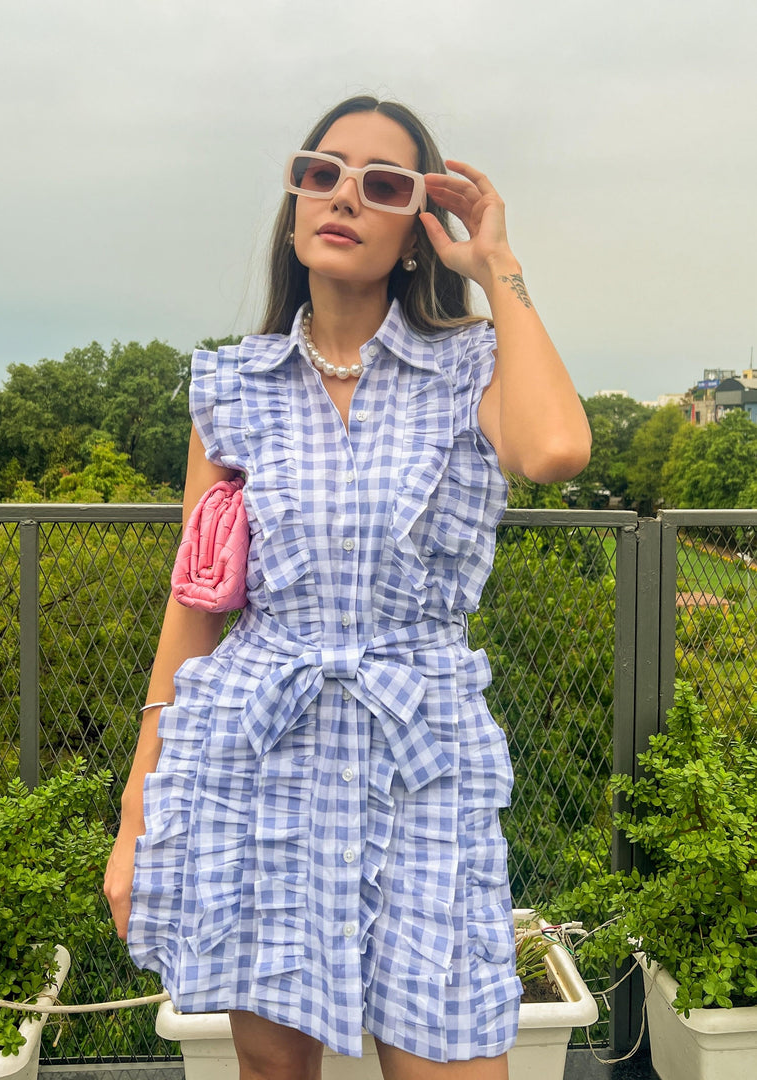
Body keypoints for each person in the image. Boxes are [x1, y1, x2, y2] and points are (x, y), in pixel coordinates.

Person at [104, 95, 591, 1080]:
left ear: (418, 228)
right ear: (294, 202)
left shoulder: (467, 367)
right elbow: (197, 604)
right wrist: (138, 814)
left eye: (383, 184)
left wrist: (497, 266)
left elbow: (554, 449)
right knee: (275, 1071)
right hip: (259, 751)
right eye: (320, 171)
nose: (343, 197)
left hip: (416, 758)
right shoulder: (235, 388)